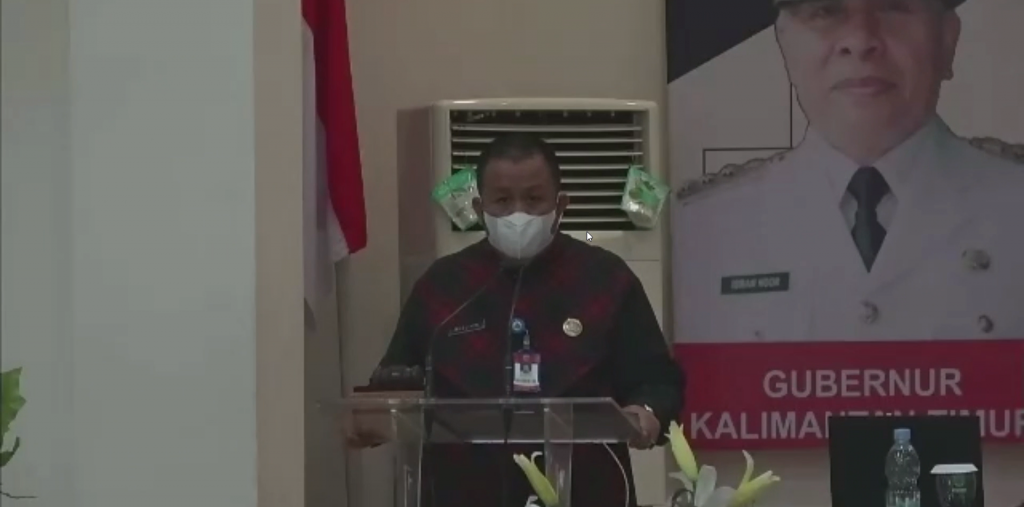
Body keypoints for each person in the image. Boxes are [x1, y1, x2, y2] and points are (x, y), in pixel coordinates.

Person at [354, 133, 684, 507]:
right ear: (479, 208)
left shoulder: (606, 279)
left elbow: (658, 382)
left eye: (533, 199)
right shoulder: (444, 285)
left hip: (584, 490)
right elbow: (396, 381)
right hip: (461, 491)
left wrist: (646, 414)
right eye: (502, 201)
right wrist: (372, 416)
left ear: (560, 204)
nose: (518, 214)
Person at [673, 0, 1024, 343]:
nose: (860, 40)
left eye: (893, 7)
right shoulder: (700, 229)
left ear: (947, 38)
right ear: (785, 44)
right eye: (825, 11)